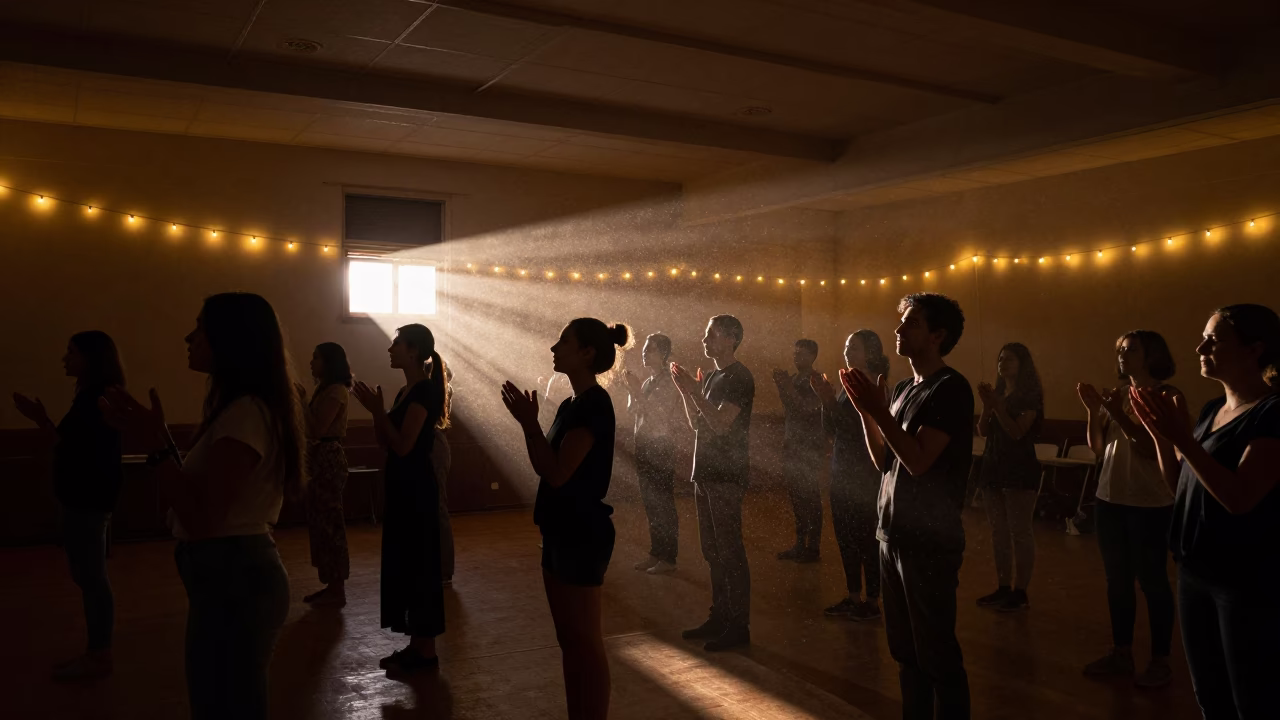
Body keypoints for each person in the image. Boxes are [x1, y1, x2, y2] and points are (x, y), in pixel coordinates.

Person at [99, 293, 304, 720]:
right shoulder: (239, 410)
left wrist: (155, 446)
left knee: (225, 706)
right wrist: (157, 438)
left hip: (237, 576)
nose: (189, 338)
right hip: (228, 573)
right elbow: (201, 489)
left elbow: (202, 515)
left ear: (232, 340)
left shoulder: (248, 413)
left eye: (201, 329)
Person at [1131, 304, 1280, 719]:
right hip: (1195, 572)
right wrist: (1163, 438)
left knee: (1252, 699)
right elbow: (1180, 486)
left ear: (1254, 349)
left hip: (1245, 582)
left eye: (1213, 340)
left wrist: (1182, 436)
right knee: (1210, 695)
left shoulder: (1271, 413)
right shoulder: (1213, 410)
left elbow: (1240, 498)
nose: (1200, 346)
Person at [841, 293, 972, 720]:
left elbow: (917, 461)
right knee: (905, 653)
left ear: (938, 336)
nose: (898, 331)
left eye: (911, 324)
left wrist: (879, 410)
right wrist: (868, 412)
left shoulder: (951, 389)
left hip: (929, 539)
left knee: (936, 654)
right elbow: (884, 461)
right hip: (891, 532)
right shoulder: (901, 389)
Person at [501, 318, 629, 720]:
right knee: (569, 640)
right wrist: (529, 426)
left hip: (582, 531)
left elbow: (558, 472)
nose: (554, 348)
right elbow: (546, 467)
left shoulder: (594, 404)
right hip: (559, 528)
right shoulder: (571, 404)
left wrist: (527, 423)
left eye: (564, 342)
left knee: (585, 642)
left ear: (587, 353)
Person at [13, 331, 125, 681]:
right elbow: (68, 444)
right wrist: (41, 418)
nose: (65, 358)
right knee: (86, 575)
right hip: (82, 496)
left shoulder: (97, 398)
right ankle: (97, 651)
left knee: (92, 577)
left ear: (90, 358)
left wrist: (41, 421)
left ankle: (99, 654)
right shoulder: (90, 397)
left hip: (87, 499)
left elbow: (70, 447)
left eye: (71, 353)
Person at [1076, 330, 1185, 688]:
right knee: (1117, 582)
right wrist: (1094, 411)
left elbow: (1145, 447)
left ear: (1152, 353)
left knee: (1153, 582)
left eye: (1131, 348)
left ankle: (1160, 660)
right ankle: (1121, 653)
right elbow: (1097, 448)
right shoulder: (1120, 394)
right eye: (1119, 348)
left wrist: (1114, 413)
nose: (1122, 354)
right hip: (1111, 500)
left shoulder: (1167, 396)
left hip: (1150, 503)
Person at [353, 323, 448, 676]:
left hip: (416, 490)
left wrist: (378, 412)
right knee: (407, 566)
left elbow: (405, 445)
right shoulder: (404, 392)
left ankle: (426, 653)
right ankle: (416, 646)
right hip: (402, 486)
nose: (390, 348)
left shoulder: (423, 392)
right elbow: (387, 442)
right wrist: (377, 411)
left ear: (413, 351)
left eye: (396, 343)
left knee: (419, 567)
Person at [673, 314, 755, 652]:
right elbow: (697, 424)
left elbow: (722, 424)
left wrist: (695, 391)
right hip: (704, 471)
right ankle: (719, 615)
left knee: (730, 550)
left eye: (712, 335)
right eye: (706, 334)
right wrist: (686, 392)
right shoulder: (712, 377)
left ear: (731, 338)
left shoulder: (739, 376)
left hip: (726, 475)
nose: (705, 340)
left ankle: (739, 625)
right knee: (712, 551)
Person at [813, 330, 889, 622]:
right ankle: (853, 596)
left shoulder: (873, 384)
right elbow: (833, 429)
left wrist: (830, 400)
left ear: (870, 352)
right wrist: (826, 398)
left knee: (865, 537)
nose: (847, 352)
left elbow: (868, 429)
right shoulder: (848, 383)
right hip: (842, 469)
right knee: (845, 536)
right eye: (846, 346)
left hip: (864, 471)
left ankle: (871, 601)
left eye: (853, 347)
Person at [974, 343, 1044, 613]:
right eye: (1000, 358)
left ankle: (1020, 591)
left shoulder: (1029, 396)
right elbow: (982, 430)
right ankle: (1003, 587)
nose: (1003, 363)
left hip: (1019, 469)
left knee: (1020, 531)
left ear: (1022, 364)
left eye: (1010, 359)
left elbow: (1017, 432)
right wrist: (987, 406)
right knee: (998, 533)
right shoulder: (999, 393)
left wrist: (997, 406)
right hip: (993, 467)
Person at [625, 332, 684, 575]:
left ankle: (668, 558)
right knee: (650, 502)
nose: (644, 352)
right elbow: (634, 410)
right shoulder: (648, 381)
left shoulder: (670, 381)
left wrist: (636, 391)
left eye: (650, 349)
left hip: (660, 446)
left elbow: (659, 415)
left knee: (663, 503)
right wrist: (633, 390)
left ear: (663, 354)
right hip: (644, 444)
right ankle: (655, 553)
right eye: (644, 348)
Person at [298, 342, 352, 607]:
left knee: (330, 522)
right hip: (319, 457)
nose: (311, 363)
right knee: (320, 520)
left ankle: (337, 587)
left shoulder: (336, 391)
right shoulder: (325, 389)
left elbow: (318, 428)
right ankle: (330, 583)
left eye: (315, 358)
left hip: (328, 457)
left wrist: (301, 400)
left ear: (329, 362)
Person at [773, 338, 825, 562]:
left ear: (813, 356)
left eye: (802, 354)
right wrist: (782, 385)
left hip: (809, 447)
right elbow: (790, 408)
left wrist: (786, 386)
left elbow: (806, 410)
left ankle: (812, 547)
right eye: (795, 353)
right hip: (793, 443)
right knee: (796, 497)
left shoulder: (816, 379)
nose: (797, 358)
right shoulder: (794, 379)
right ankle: (799, 543)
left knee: (811, 498)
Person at [435, 365, 455, 588]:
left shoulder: (441, 392)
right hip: (436, 447)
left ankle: (443, 569)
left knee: (438, 508)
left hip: (434, 449)